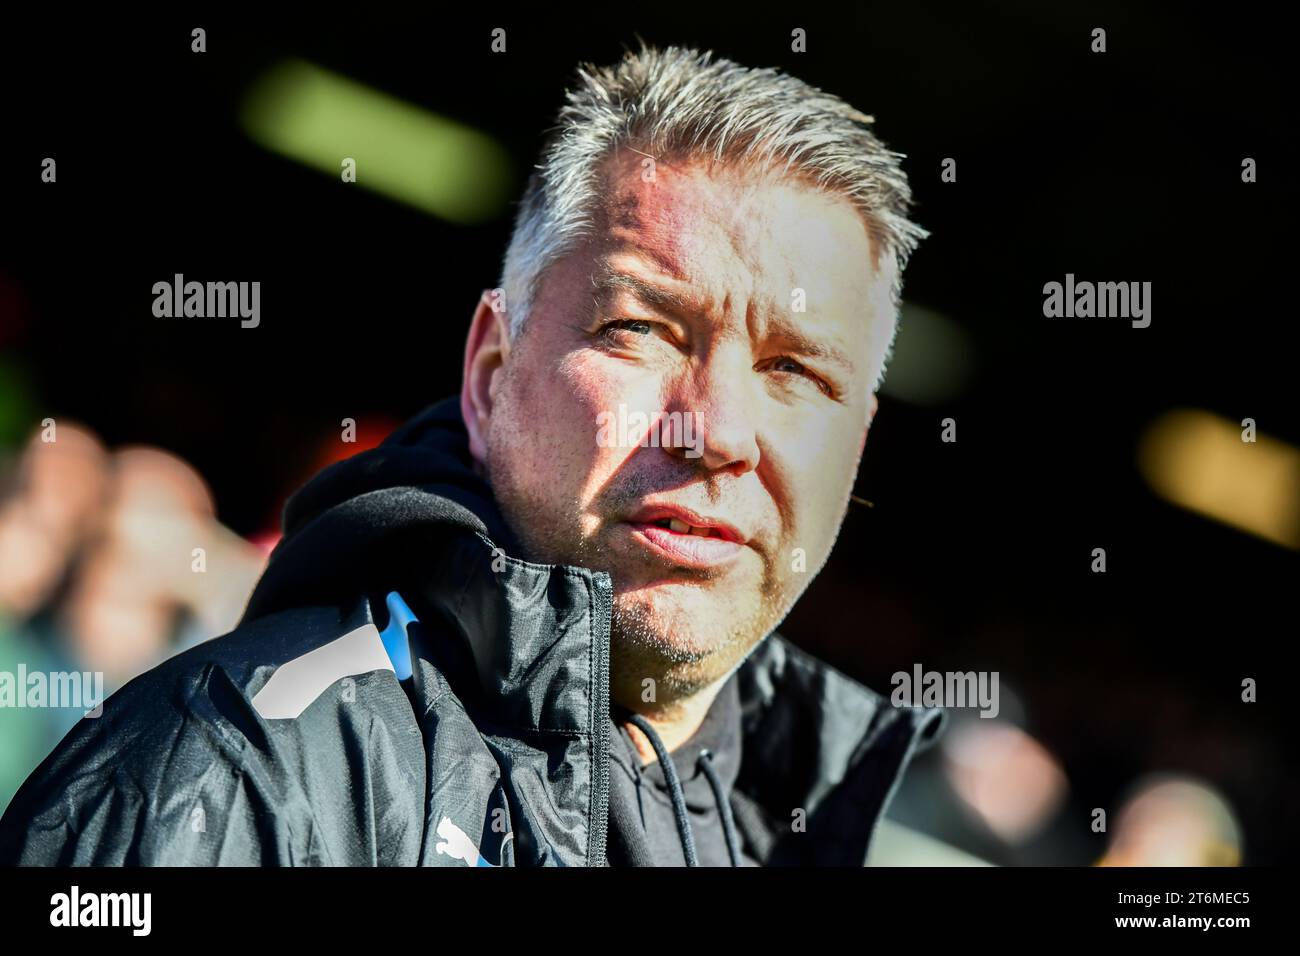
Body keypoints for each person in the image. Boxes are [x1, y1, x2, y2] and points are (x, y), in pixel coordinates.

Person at [0, 43, 943, 866]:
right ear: (491, 373)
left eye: (795, 372)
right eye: (643, 329)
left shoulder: (808, 821)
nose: (719, 431)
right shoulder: (225, 776)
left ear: (853, 450)